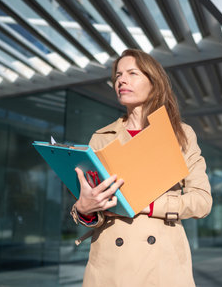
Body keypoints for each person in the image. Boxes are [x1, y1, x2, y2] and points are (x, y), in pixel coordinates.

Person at [70, 49, 212, 286]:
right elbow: (95, 209)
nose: (121, 80)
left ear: (154, 83)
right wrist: (84, 209)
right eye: (118, 75)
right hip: (111, 266)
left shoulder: (180, 135)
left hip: (162, 264)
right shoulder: (101, 138)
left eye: (132, 73)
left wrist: (147, 204)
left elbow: (202, 201)